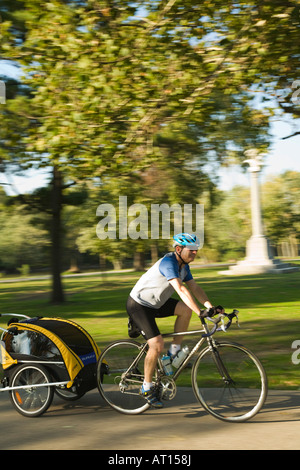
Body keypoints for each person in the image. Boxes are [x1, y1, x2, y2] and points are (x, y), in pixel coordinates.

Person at [126, 232, 224, 408]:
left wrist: (209, 307)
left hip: (157, 303)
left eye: (196, 250)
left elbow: (194, 287)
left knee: (185, 311)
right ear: (178, 249)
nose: (194, 253)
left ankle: (174, 353)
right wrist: (199, 312)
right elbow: (181, 290)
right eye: (191, 250)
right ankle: (146, 387)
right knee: (156, 344)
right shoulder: (169, 262)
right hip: (139, 305)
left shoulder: (184, 265)